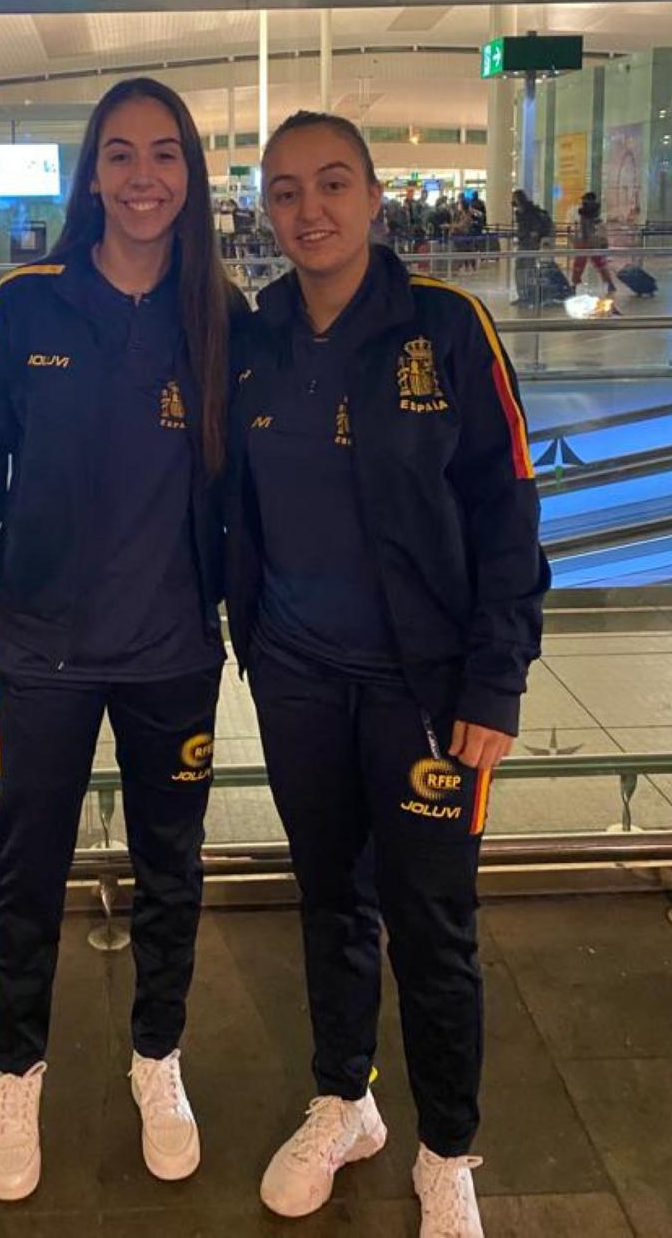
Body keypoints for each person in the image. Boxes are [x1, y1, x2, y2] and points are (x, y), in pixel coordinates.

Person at [225, 110, 548, 1236]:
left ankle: (448, 1144)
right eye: (284, 190)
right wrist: (253, 647)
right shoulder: (255, 334)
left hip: (424, 694)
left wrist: (492, 686)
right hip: (301, 678)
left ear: (373, 198)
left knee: (433, 922)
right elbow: (237, 508)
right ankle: (345, 1096)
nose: (307, 210)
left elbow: (509, 513)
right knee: (329, 903)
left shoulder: (446, 329)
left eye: (331, 184)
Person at [0, 77, 243, 1203]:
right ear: (92, 172)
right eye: (122, 154)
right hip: (44, 653)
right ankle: (15, 1070)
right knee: (27, 872)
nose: (145, 175)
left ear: (192, 175)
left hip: (172, 649)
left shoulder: (221, 314)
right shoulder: (25, 307)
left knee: (174, 868)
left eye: (165, 154)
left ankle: (157, 1055)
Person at [569, 192, 618, 295]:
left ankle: (575, 285)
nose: (584, 203)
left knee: (587, 265)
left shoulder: (589, 213)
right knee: (592, 265)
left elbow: (594, 227)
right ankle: (609, 285)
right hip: (589, 242)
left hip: (589, 242)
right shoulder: (592, 213)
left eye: (585, 201)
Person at [511, 189, 552, 306]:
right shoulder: (522, 212)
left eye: (514, 198)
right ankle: (524, 295)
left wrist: (533, 239)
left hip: (528, 244)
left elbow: (534, 229)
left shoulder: (529, 212)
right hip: (524, 243)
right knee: (521, 269)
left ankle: (529, 295)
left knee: (527, 269)